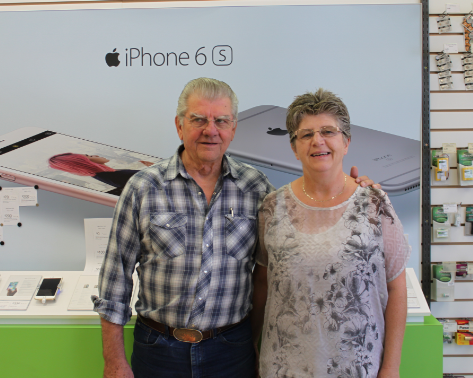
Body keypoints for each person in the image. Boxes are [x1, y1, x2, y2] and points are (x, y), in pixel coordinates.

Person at [93, 78, 378, 378]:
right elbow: (115, 281)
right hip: (158, 351)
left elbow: (286, 258)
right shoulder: (143, 188)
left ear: (233, 129)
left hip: (231, 352)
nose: (210, 130)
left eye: (221, 121)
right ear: (179, 125)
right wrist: (114, 362)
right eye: (199, 120)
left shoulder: (256, 189)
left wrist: (352, 193)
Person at [250, 88, 409, 378]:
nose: (317, 141)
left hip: (357, 368)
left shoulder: (375, 204)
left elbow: (397, 287)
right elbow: (262, 283)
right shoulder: (272, 207)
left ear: (346, 142)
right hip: (283, 368)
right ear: (293, 147)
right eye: (306, 134)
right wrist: (252, 349)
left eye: (328, 131)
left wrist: (391, 367)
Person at [48, 153, 152, 196]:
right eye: (89, 156)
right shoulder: (112, 176)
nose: (96, 155)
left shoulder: (109, 174)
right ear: (85, 162)